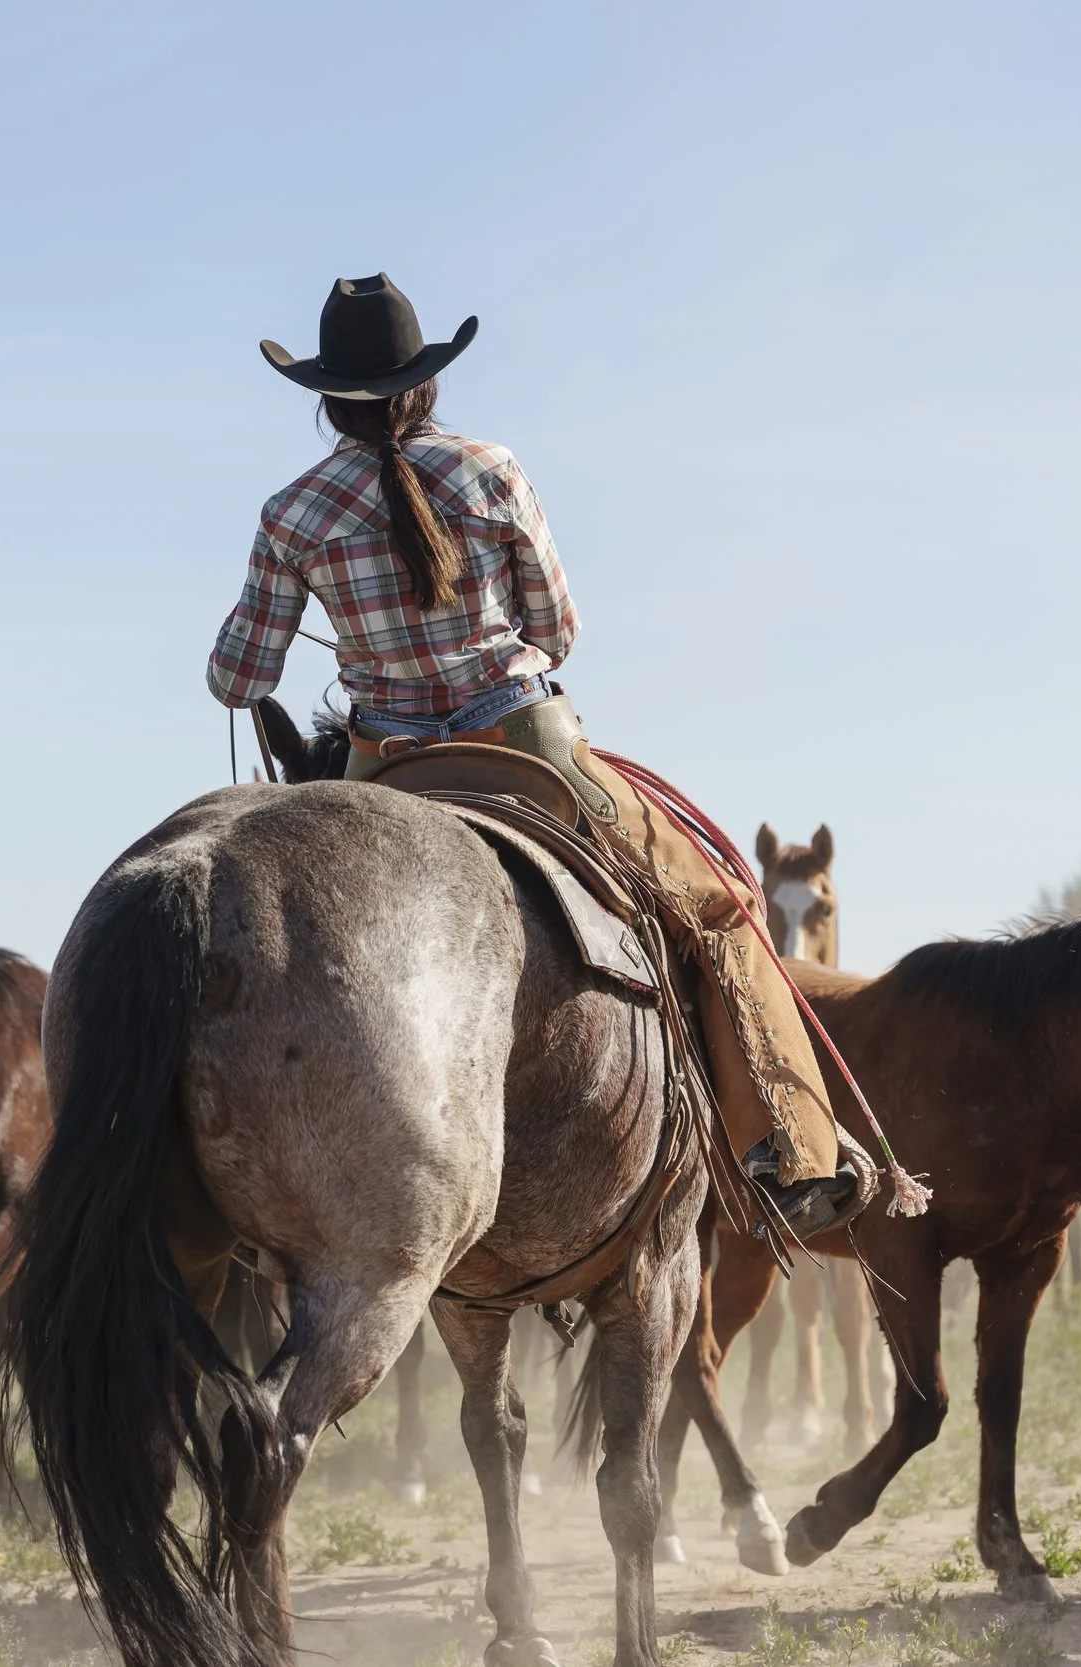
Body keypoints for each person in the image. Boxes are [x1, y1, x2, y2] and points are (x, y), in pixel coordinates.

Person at [207, 273, 875, 1239]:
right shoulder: (492, 469)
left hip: (381, 774)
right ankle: (796, 1154)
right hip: (528, 748)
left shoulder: (292, 514)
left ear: (327, 403)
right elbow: (556, 633)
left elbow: (238, 679)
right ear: (424, 384)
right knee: (724, 909)